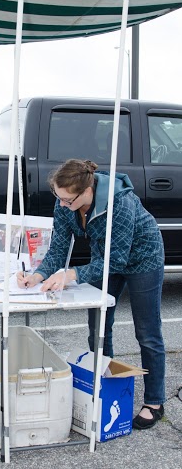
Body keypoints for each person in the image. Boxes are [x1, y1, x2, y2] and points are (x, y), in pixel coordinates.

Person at [17, 158, 165, 430]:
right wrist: (37, 275)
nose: (62, 204)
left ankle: (154, 401)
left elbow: (117, 261)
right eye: (58, 198)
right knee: (98, 325)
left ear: (88, 191)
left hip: (143, 258)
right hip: (104, 259)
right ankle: (103, 386)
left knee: (147, 332)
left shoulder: (119, 202)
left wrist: (71, 274)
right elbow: (58, 249)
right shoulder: (65, 200)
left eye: (68, 200)